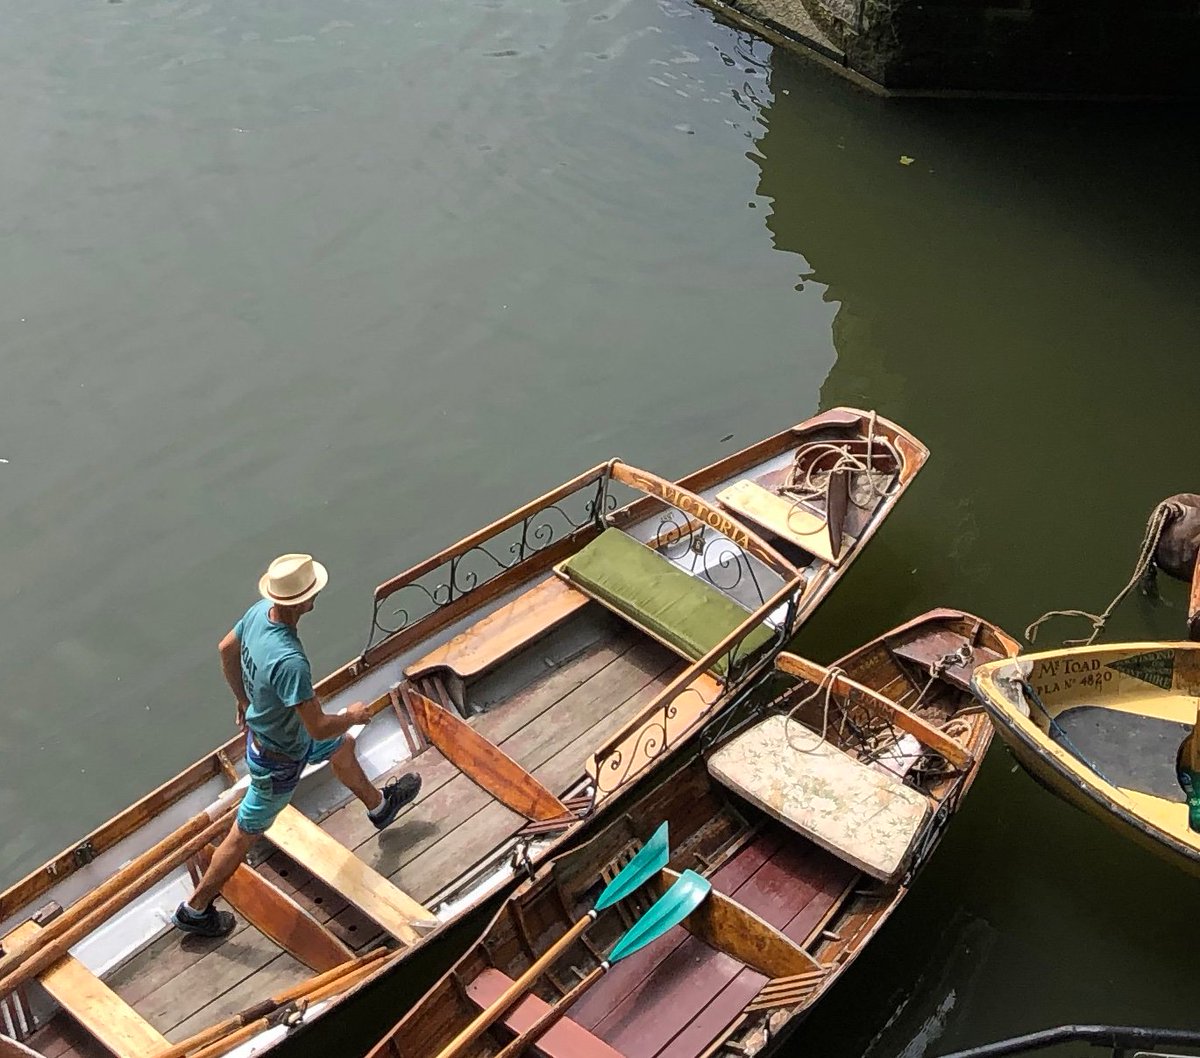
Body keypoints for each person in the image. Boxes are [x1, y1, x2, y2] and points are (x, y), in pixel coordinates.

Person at [172, 553, 421, 937]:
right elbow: (318, 726)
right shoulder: (290, 662)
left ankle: (379, 806)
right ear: (304, 601)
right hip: (280, 758)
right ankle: (195, 908)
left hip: (282, 733)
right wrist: (353, 715)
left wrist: (243, 699)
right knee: (243, 833)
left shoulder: (259, 612)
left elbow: (226, 649)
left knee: (340, 746)